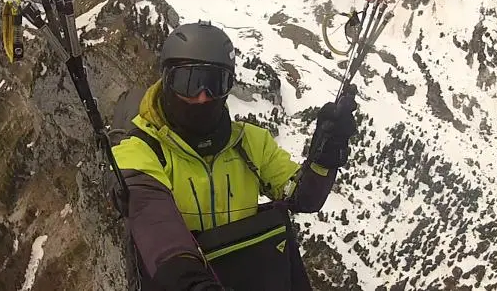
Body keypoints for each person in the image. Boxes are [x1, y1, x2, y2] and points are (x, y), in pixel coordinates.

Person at [110, 20, 357, 291]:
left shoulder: (251, 143)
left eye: (215, 83)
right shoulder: (138, 151)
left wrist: (323, 159)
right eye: (188, 82)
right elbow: (156, 225)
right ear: (167, 80)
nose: (203, 97)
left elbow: (303, 197)